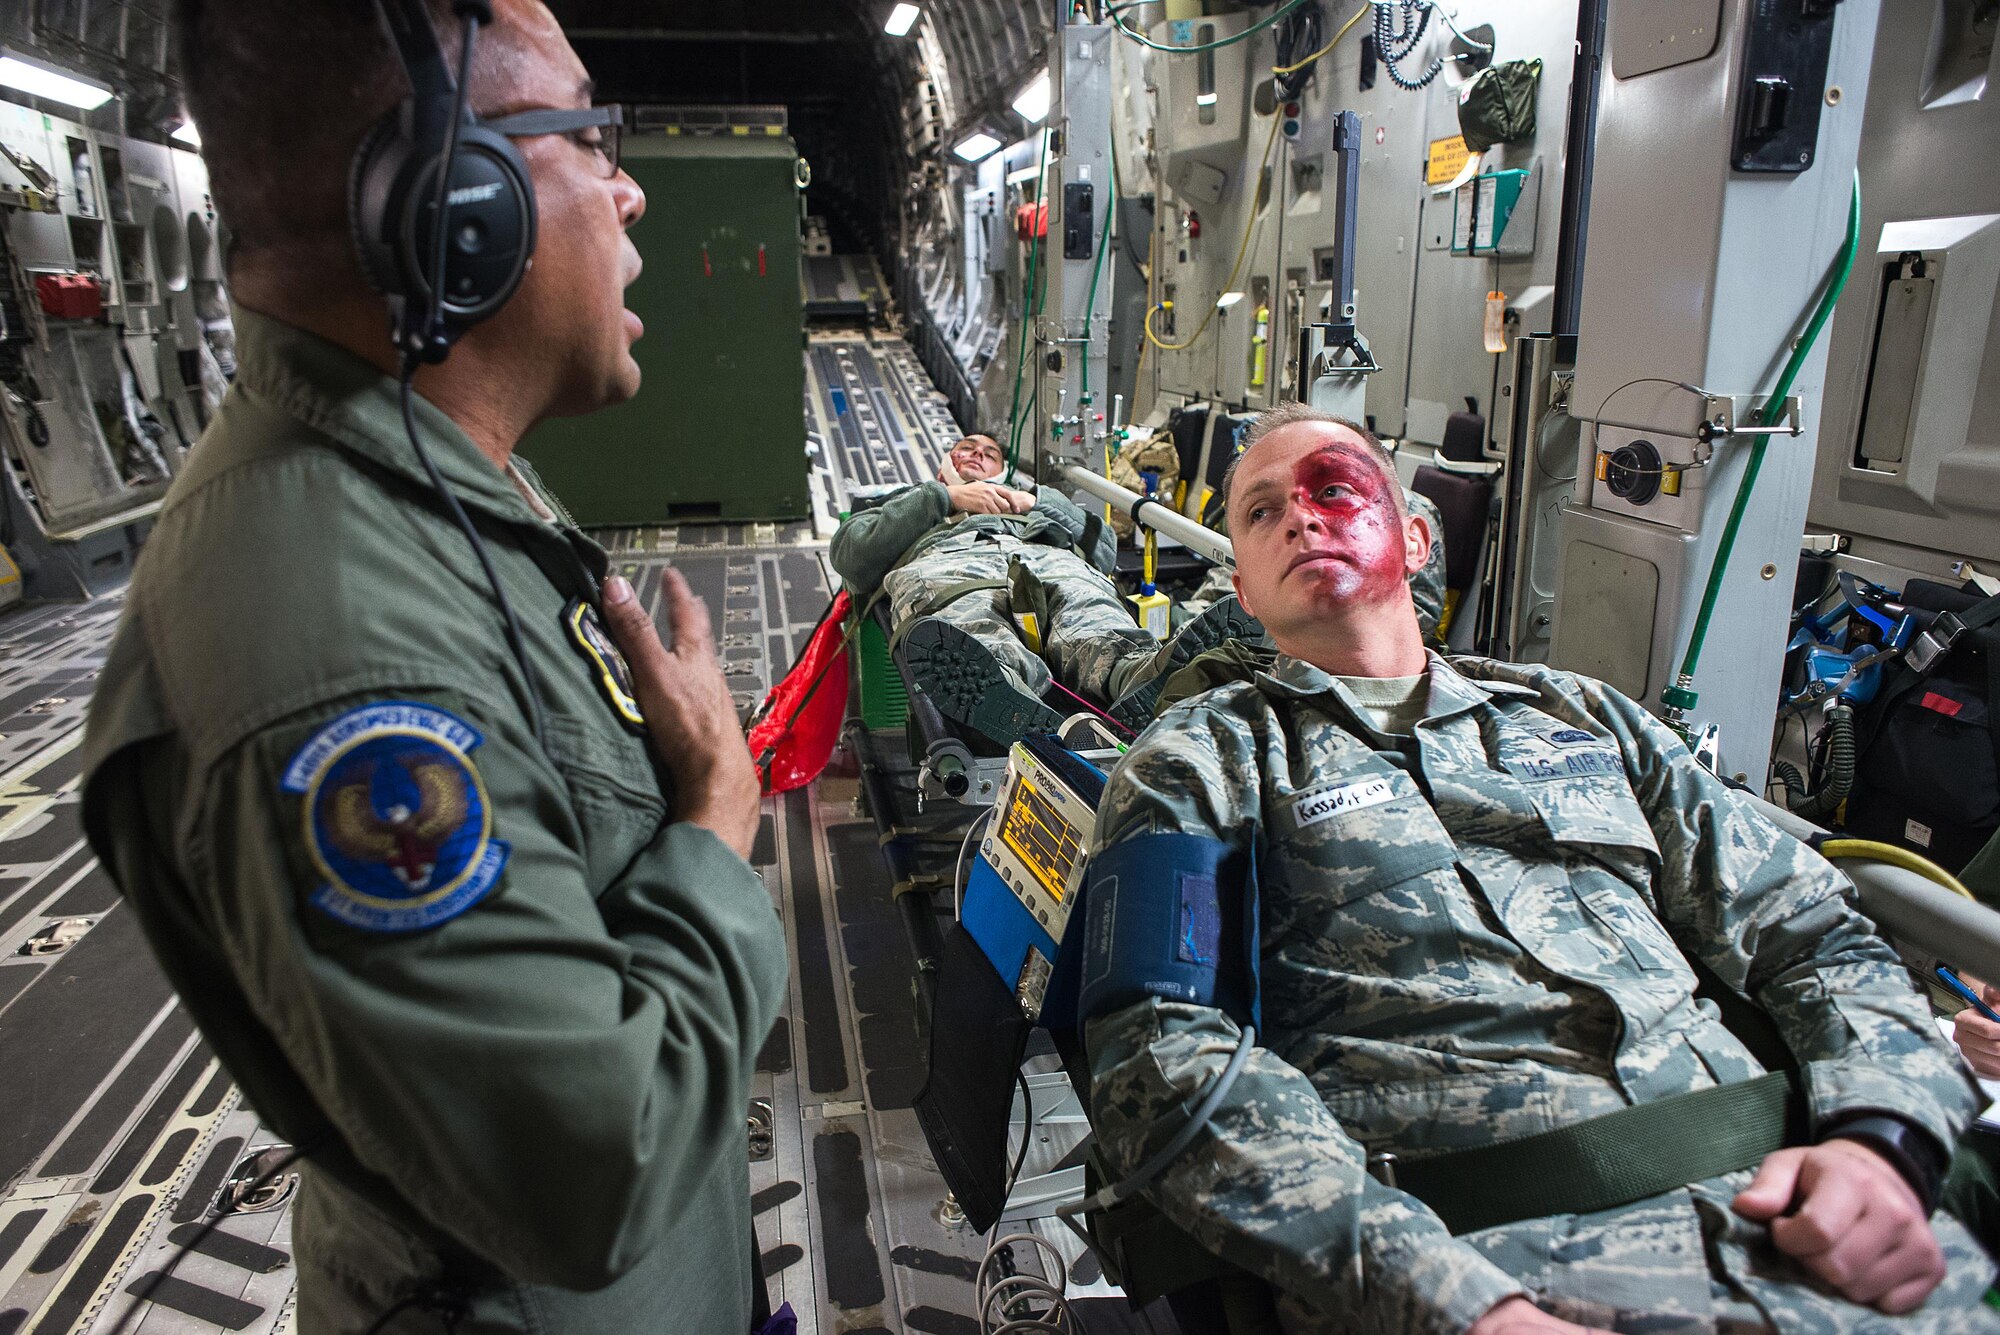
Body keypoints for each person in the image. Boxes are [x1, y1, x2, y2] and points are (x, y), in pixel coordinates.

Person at [80, 3, 789, 1332]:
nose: (631, 187)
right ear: (459, 204)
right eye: (592, 133)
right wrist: (712, 819)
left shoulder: (422, 493)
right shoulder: (335, 649)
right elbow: (599, 1167)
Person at [1081, 401, 1995, 1334]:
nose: (1303, 519)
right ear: (1240, 585)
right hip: (1493, 1259)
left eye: (1335, 490)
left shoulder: (1586, 720)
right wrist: (1453, 1301)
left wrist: (1884, 1138)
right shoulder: (1200, 759)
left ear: (1420, 537)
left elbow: (1810, 928)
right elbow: (1158, 1049)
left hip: (1810, 1222)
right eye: (1263, 512)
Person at [829, 432, 1259, 742]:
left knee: (1090, 612)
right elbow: (851, 556)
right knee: (974, 629)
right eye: (966, 449)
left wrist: (1037, 502)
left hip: (1051, 560)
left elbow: (1103, 549)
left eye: (990, 453)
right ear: (946, 463)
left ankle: (1137, 675)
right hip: (954, 568)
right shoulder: (912, 501)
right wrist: (947, 500)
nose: (978, 455)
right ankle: (1012, 700)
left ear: (1004, 471)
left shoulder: (1034, 503)